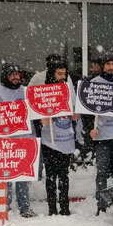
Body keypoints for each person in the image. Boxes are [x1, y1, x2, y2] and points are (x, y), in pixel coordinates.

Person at [83, 52, 113, 215]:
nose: (111, 67)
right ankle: (101, 204)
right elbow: (87, 110)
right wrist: (90, 128)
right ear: (103, 65)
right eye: (108, 64)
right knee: (102, 171)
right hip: (102, 135)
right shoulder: (94, 83)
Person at [0, 62, 36, 218]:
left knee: (23, 176)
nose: (16, 77)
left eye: (18, 74)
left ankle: (25, 208)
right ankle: (3, 206)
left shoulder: (27, 92)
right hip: (4, 140)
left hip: (25, 139)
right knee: (5, 176)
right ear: (5, 76)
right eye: (12, 74)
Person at [38, 58, 77, 216]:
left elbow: (74, 107)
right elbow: (36, 111)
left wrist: (76, 114)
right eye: (59, 73)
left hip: (65, 138)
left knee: (64, 175)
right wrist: (41, 120)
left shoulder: (68, 88)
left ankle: (65, 206)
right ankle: (52, 208)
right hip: (49, 140)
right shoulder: (43, 91)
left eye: (64, 74)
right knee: (51, 176)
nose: (62, 76)